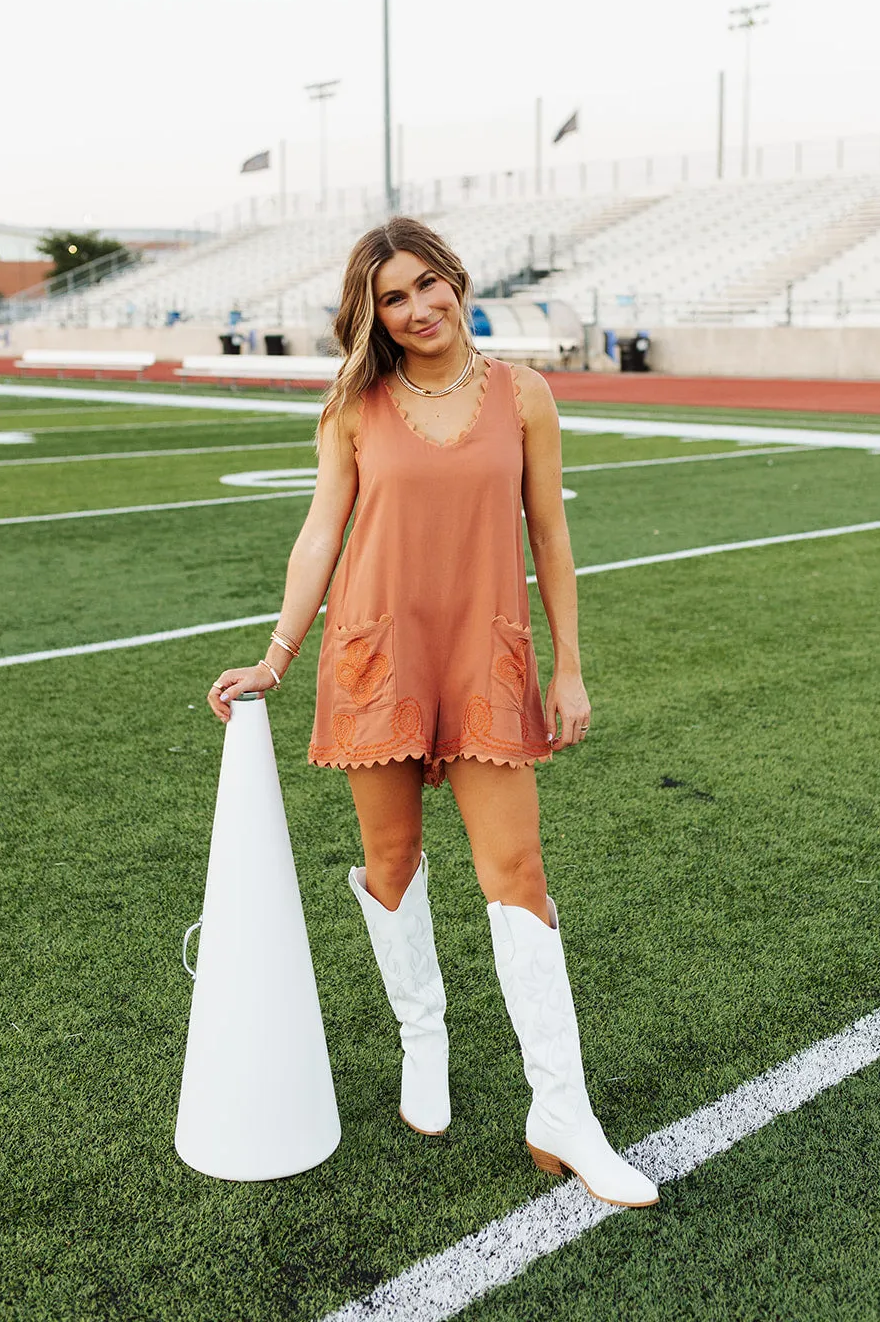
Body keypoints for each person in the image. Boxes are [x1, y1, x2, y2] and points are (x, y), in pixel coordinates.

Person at [207, 217, 658, 1209]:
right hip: (375, 653)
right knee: (391, 863)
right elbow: (319, 534)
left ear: (456, 278)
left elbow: (549, 534)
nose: (415, 311)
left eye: (425, 286)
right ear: (373, 317)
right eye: (391, 300)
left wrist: (569, 666)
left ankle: (562, 1112)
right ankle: (424, 1038)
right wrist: (276, 657)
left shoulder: (524, 395)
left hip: (487, 656)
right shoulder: (355, 405)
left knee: (519, 877)